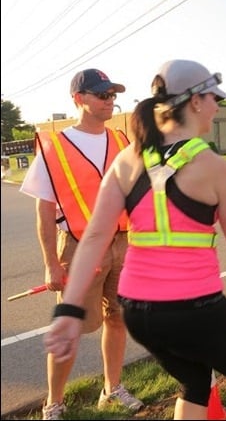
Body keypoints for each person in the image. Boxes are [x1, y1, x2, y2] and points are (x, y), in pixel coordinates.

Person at [43, 59, 226, 420]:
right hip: (193, 307)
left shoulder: (129, 158)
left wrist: (69, 310)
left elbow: (95, 235)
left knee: (194, 382)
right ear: (194, 101)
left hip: (139, 313)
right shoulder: (214, 168)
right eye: (214, 98)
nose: (217, 107)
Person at [20, 68, 144, 420]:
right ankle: (54, 404)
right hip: (79, 247)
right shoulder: (54, 148)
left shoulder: (122, 141)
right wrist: (51, 263)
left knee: (118, 318)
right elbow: (44, 213)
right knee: (71, 328)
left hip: (123, 242)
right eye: (102, 95)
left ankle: (112, 388)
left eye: (112, 95)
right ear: (79, 99)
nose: (111, 101)